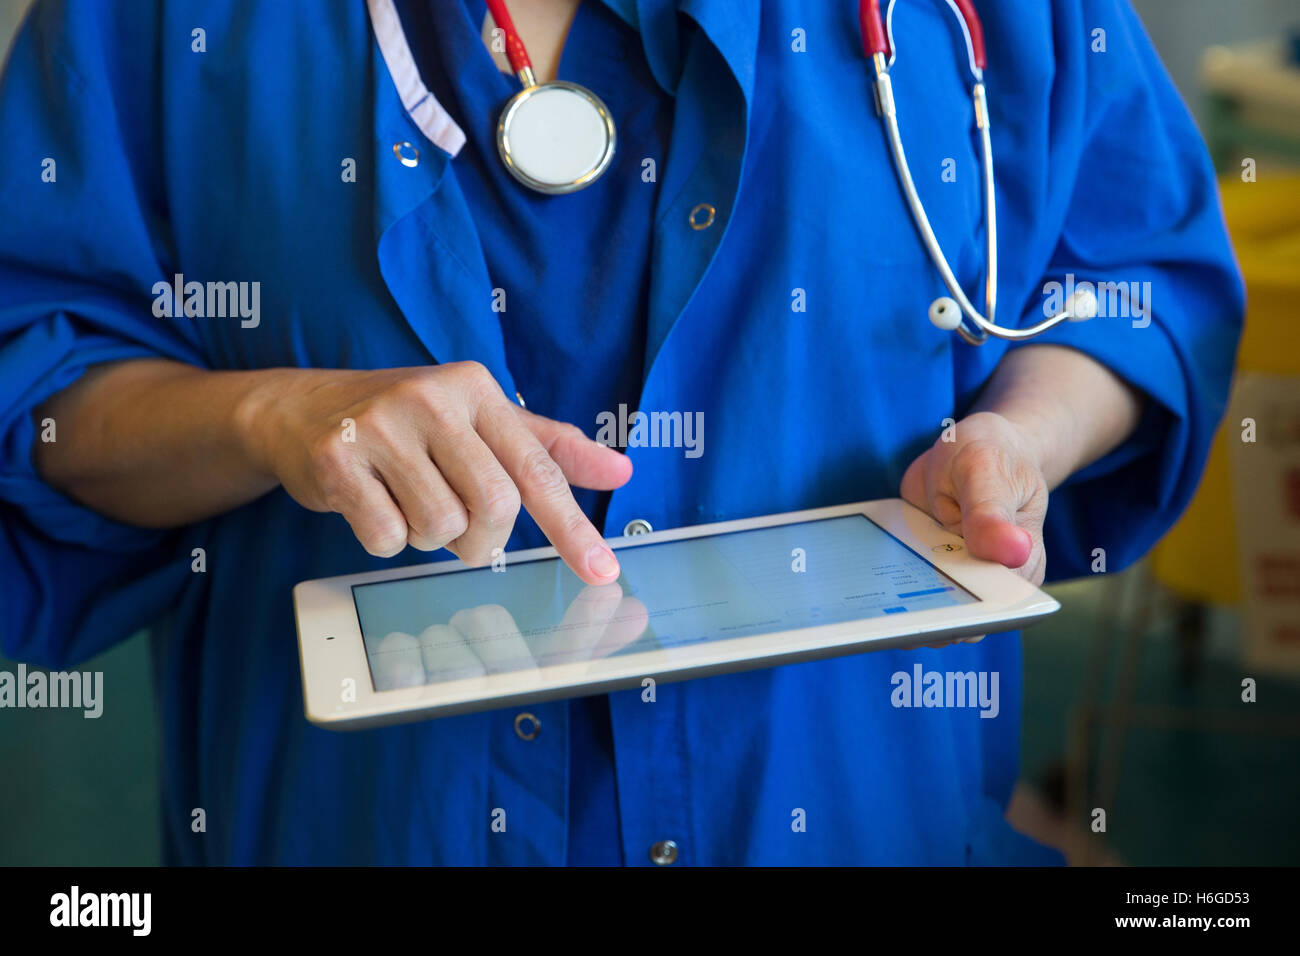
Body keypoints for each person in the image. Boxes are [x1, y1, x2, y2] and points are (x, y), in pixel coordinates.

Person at [0, 0, 1242, 865]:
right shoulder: (162, 20)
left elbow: (1133, 281)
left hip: (844, 808)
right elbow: (39, 386)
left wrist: (1022, 438)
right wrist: (262, 413)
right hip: (361, 823)